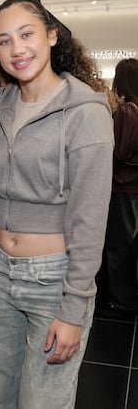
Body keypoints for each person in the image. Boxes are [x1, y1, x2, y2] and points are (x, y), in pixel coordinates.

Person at [0, 0, 114, 409]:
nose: (16, 49)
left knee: (43, 401)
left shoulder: (85, 111)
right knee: (1, 395)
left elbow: (91, 217)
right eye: (4, 41)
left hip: (53, 280)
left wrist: (75, 306)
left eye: (26, 34)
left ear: (52, 35)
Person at [99, 58, 138, 315]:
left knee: (119, 247)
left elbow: (121, 151)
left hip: (123, 188)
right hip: (132, 188)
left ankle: (122, 300)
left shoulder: (127, 112)